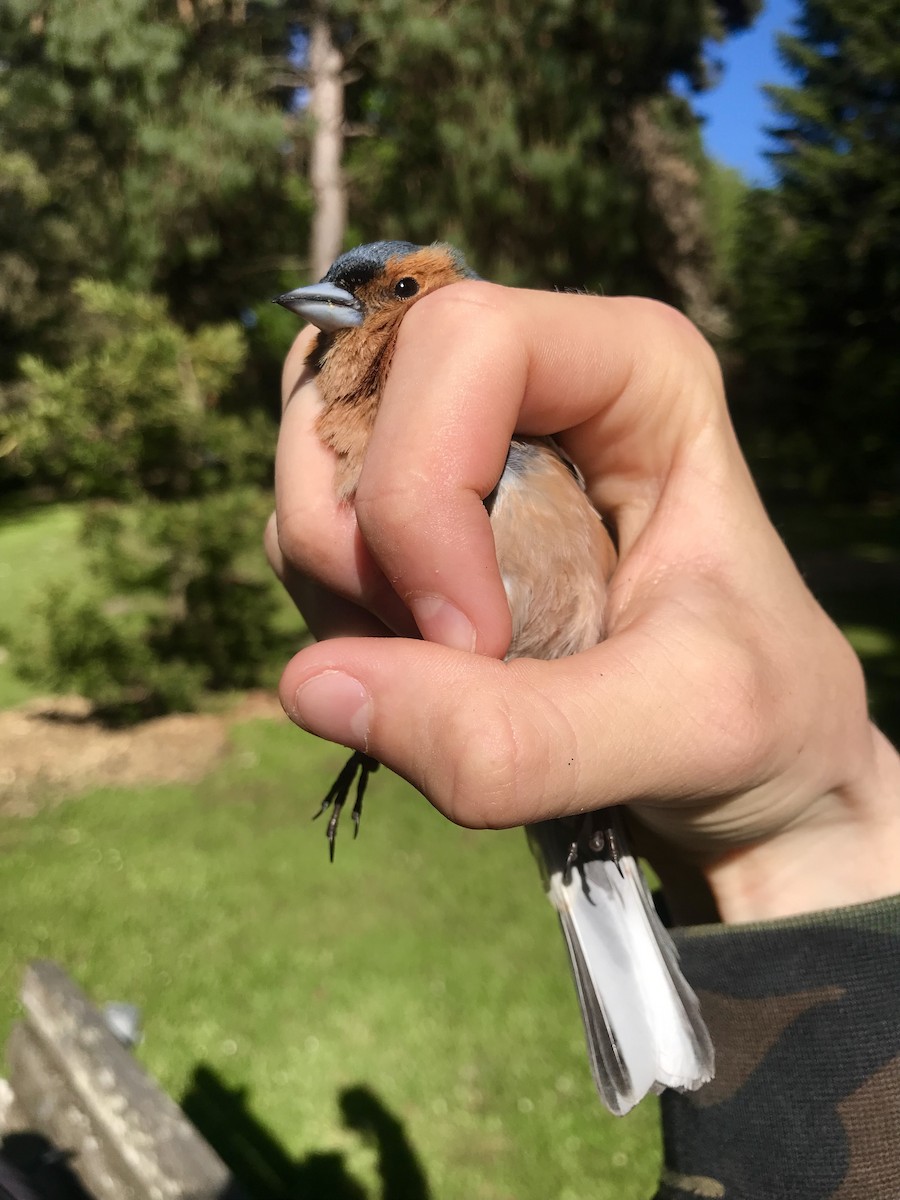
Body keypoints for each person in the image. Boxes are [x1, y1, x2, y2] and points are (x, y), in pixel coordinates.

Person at [266, 283, 900, 1198]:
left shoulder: (515, 434)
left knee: (587, 862)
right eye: (347, 293)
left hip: (578, 683)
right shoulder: (374, 438)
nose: (345, 304)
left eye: (396, 289)